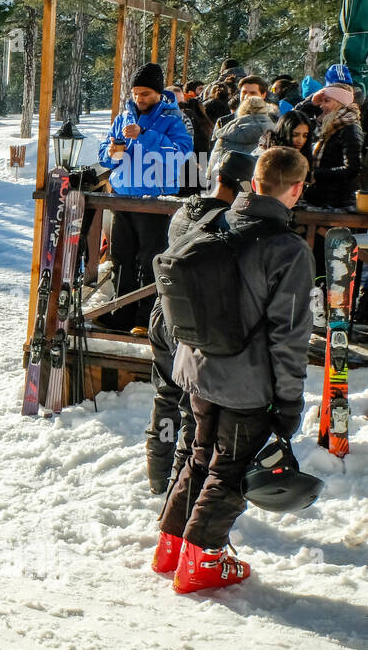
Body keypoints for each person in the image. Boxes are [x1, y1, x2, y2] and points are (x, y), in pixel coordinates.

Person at [154, 146, 313, 593]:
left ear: (254, 182)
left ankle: (171, 545)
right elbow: (290, 336)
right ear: (297, 189)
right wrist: (288, 399)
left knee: (201, 455)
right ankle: (201, 560)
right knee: (230, 468)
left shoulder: (214, 220)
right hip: (247, 383)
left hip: (198, 367)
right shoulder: (288, 250)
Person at [145, 151, 250, 494]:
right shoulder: (227, 223)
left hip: (162, 313)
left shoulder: (182, 212)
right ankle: (178, 485)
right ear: (245, 186)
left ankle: (158, 475)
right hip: (195, 327)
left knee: (164, 396)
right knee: (193, 410)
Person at [97, 62, 194, 333]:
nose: (139, 99)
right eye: (136, 93)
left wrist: (144, 136)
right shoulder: (122, 117)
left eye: (145, 94)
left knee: (151, 259)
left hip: (154, 200)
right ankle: (119, 313)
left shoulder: (171, 119)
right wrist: (112, 153)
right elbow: (105, 149)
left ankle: (144, 318)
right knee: (120, 258)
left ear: (158, 93)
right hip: (122, 198)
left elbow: (181, 153)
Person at [295, 82, 363, 211]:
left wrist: (315, 174)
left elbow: (352, 169)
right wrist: (309, 103)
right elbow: (292, 119)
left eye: (326, 101)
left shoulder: (349, 128)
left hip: (337, 204)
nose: (321, 106)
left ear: (339, 103)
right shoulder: (326, 125)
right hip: (322, 199)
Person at [206, 96, 275, 176]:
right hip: (260, 184)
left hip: (228, 184)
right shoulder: (275, 134)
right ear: (265, 110)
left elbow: (212, 172)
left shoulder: (226, 134)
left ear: (241, 111)